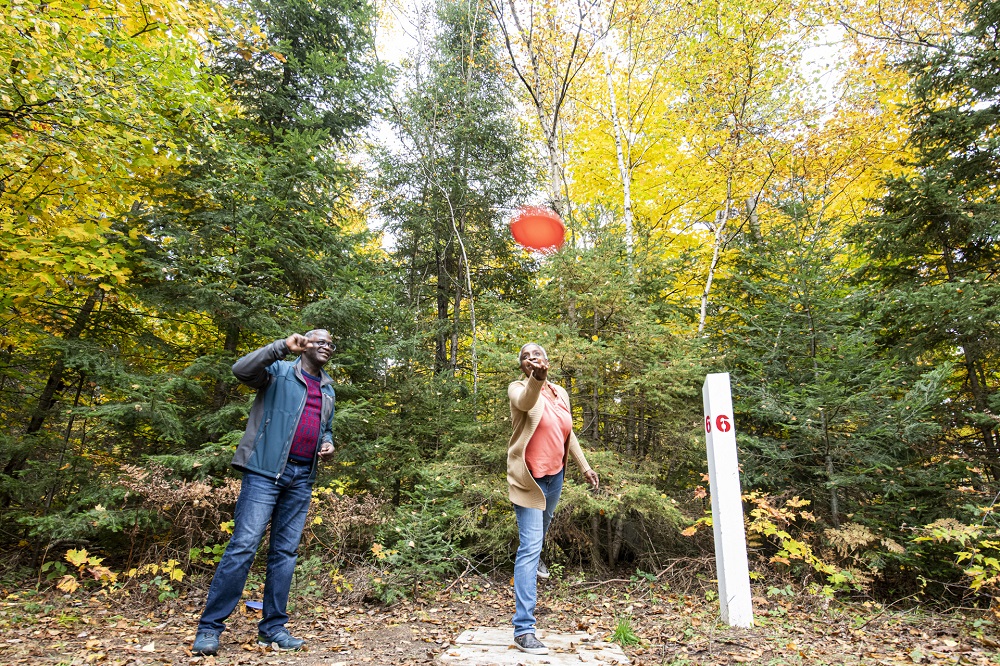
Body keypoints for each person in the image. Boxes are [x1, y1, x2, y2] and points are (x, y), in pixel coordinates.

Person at [192, 330, 337, 656]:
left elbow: (325, 426)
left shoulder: (328, 389)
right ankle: (209, 629)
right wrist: (280, 347)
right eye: (320, 341)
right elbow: (241, 370)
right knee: (243, 547)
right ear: (305, 344)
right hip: (264, 473)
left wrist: (328, 442)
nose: (327, 346)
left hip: (302, 478)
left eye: (331, 343)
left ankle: (272, 630)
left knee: (285, 554)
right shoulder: (279, 371)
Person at [507, 342, 599, 655]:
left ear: (547, 360)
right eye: (525, 357)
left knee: (538, 538)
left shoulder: (561, 392)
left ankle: (535, 558)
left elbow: (567, 432)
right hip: (528, 480)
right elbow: (526, 400)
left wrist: (584, 467)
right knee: (530, 546)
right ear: (522, 366)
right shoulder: (518, 388)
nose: (531, 359)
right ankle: (523, 630)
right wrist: (536, 379)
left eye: (537, 355)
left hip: (555, 477)